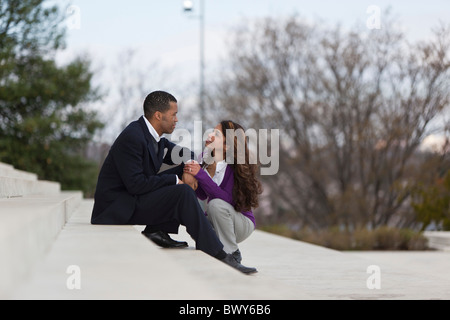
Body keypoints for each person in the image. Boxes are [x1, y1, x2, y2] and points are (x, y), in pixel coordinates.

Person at [91, 91, 257, 274]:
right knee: (182, 191)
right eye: (174, 114)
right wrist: (176, 180)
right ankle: (218, 253)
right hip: (118, 206)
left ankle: (156, 230)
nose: (176, 120)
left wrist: (190, 169)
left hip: (133, 199)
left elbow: (186, 155)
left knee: (184, 171)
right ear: (158, 115)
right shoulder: (133, 137)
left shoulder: (154, 138)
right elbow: (135, 185)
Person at [184, 120, 263, 266]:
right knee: (193, 217)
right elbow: (203, 195)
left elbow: (228, 201)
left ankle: (232, 253)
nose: (210, 135)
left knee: (215, 205)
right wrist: (191, 182)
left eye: (217, 134)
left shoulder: (234, 167)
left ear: (226, 146)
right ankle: (212, 249)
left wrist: (201, 175)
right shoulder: (204, 159)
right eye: (212, 131)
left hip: (240, 223)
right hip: (218, 218)